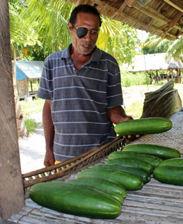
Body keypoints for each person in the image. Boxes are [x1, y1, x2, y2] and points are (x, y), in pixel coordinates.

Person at [37, 4, 135, 167]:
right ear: (71, 28)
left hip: (102, 154)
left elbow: (113, 108)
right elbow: (48, 107)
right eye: (82, 31)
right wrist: (48, 148)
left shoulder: (109, 64)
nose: (88, 39)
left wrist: (124, 121)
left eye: (94, 32)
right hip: (64, 155)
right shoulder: (51, 63)